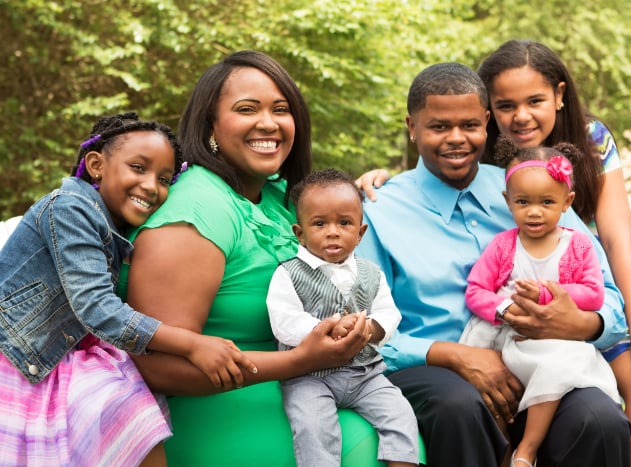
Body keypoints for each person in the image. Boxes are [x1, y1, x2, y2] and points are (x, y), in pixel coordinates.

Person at [117, 51, 418, 466]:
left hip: (308, 383)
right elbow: (157, 366)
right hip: (213, 406)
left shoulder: (276, 195)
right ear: (211, 125)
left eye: (281, 109)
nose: (269, 123)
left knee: (408, 427)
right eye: (247, 109)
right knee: (367, 445)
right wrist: (299, 359)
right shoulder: (196, 211)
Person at [355, 61, 631, 466]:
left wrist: (584, 323)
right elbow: (363, 329)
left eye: (469, 125)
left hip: (543, 360)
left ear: (486, 122)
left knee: (600, 420)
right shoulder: (379, 211)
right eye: (438, 127)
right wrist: (452, 355)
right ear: (411, 127)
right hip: (433, 369)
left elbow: (608, 296)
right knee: (459, 406)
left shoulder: (530, 186)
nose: (456, 139)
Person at [476, 39, 631, 467]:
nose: (521, 115)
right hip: (538, 299)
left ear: (560, 95)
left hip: (614, 297)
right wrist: (379, 180)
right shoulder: (482, 149)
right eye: (505, 105)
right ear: (488, 109)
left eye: (535, 100)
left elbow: (618, 243)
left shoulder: (591, 139)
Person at [0, 112, 257, 466]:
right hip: (19, 355)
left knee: (134, 409)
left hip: (70, 348)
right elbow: (97, 307)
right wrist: (193, 344)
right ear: (95, 165)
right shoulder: (69, 208)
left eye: (165, 179)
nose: (152, 186)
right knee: (125, 409)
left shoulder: (115, 220)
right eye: (138, 168)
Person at [460, 136, 620, 466]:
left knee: (558, 365)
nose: (534, 212)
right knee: (490, 391)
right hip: (510, 340)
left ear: (567, 201)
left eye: (547, 202)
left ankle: (527, 450)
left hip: (556, 341)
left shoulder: (577, 245)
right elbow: (476, 290)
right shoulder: (503, 246)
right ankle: (504, 446)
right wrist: (504, 308)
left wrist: (548, 293)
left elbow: (594, 293)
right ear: (508, 201)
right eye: (523, 202)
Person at [266, 167, 419, 467]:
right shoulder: (288, 273)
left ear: (360, 233)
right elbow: (284, 321)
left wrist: (371, 328)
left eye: (344, 223)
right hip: (308, 376)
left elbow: (388, 312)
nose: (333, 231)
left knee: (401, 414)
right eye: (320, 223)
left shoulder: (370, 273)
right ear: (300, 232)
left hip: (365, 374)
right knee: (312, 425)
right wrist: (329, 328)